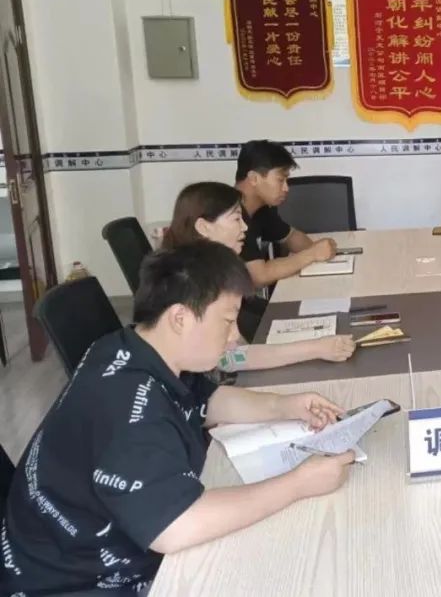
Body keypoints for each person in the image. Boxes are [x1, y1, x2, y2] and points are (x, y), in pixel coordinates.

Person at [0, 242, 356, 595]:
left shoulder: (134, 347)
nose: (234, 336)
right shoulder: (127, 405)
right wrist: (298, 484)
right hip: (75, 582)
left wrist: (285, 406)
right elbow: (175, 526)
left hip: (111, 550)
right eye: (227, 321)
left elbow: (206, 401)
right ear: (180, 318)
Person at [165, 182, 355, 370]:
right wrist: (316, 348)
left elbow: (235, 350)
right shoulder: (192, 283)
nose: (245, 227)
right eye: (236, 219)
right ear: (203, 227)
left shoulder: (217, 268)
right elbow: (229, 359)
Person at [235, 139, 337, 288]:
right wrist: (312, 254)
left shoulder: (261, 209)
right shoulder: (231, 216)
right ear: (253, 178)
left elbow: (291, 237)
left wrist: (320, 249)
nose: (286, 188)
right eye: (280, 180)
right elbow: (260, 276)